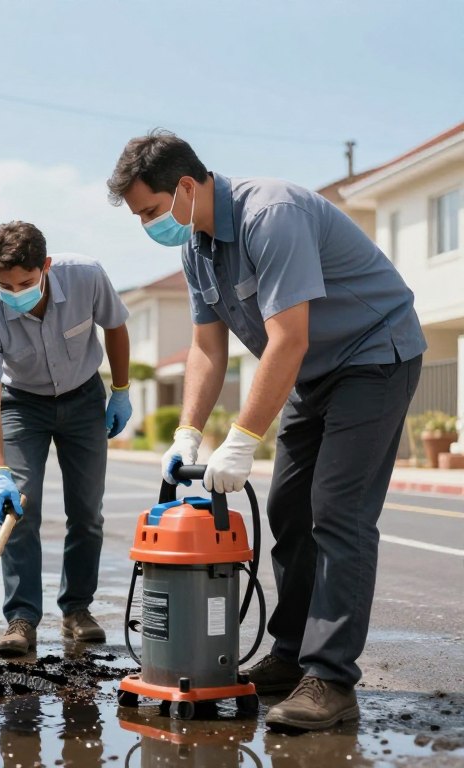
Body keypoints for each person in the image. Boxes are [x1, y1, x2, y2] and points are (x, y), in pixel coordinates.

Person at [107, 131, 425, 731]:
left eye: (150, 211)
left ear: (185, 187)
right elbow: (206, 347)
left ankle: (330, 680)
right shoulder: (196, 249)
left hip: (374, 353)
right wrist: (188, 433)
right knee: (288, 509)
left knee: (338, 511)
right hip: (314, 371)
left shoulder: (270, 214)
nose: (148, 225)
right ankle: (290, 656)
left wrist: (243, 438)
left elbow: (289, 337)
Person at [0, 220, 132, 657]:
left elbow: (115, 326)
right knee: (19, 508)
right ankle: (21, 618)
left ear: (46, 265)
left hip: (83, 397)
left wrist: (120, 390)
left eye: (25, 282)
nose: (15, 292)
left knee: (86, 511)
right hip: (22, 404)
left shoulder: (86, 276)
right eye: (5, 284)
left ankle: (78, 610)